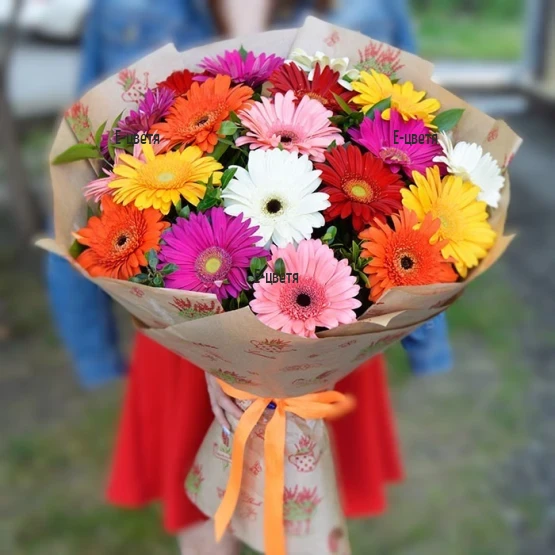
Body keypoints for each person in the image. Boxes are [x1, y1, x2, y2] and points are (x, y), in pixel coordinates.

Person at [47, 0, 452, 553]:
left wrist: (423, 331)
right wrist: (90, 345)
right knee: (205, 523)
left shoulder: (373, 8)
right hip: (188, 334)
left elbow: (422, 159)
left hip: (332, 328)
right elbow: (79, 174)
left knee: (310, 519)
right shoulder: (123, 9)